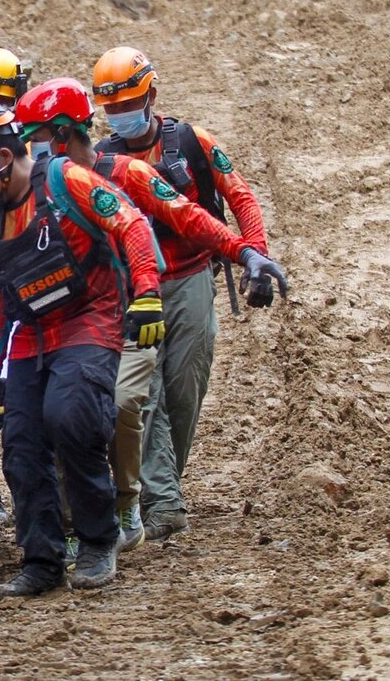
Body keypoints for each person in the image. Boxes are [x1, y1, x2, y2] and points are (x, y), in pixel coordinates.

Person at [16, 78, 287, 552]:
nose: (28, 150)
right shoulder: (33, 190)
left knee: (166, 395)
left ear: (59, 134)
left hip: (168, 285)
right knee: (104, 408)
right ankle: (131, 505)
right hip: (92, 314)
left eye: (34, 137)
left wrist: (248, 254)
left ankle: (141, 498)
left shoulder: (130, 170)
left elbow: (189, 215)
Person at [0, 98, 163, 598]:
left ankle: (99, 540)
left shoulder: (65, 180)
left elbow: (132, 223)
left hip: (89, 318)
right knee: (19, 446)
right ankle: (41, 560)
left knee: (72, 416)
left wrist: (146, 294)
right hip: (33, 334)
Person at [91, 46, 287, 544]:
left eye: (126, 104)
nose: (119, 116)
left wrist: (255, 258)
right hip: (137, 288)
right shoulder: (103, 161)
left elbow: (239, 195)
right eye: (110, 109)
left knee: (184, 389)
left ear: (151, 95)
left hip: (194, 277)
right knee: (143, 394)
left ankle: (164, 487)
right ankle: (163, 501)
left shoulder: (193, 143)